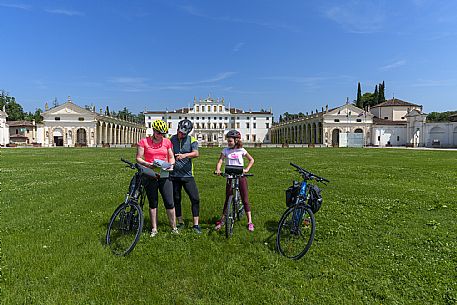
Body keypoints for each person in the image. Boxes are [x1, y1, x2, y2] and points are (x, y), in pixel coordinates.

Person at [136, 119, 178, 237]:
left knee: (169, 202)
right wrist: (148, 164)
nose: (161, 136)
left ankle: (173, 227)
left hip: (164, 174)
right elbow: (138, 158)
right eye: (159, 133)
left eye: (163, 134)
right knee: (153, 203)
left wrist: (171, 165)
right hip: (151, 174)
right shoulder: (144, 142)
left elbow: (171, 157)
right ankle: (154, 228)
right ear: (153, 131)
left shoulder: (167, 142)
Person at [214, 130, 255, 232]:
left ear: (236, 141)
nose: (228, 143)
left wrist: (246, 169)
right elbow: (220, 161)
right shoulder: (226, 150)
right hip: (230, 175)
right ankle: (223, 220)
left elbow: (251, 160)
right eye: (228, 141)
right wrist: (218, 169)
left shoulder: (242, 150)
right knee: (228, 198)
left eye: (230, 141)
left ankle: (250, 221)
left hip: (241, 176)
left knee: (245, 199)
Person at [170, 119, 202, 234]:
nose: (180, 134)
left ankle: (196, 225)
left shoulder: (192, 140)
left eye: (183, 133)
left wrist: (184, 155)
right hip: (174, 175)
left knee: (195, 198)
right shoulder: (172, 139)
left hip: (187, 175)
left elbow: (196, 153)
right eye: (179, 131)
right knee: (176, 199)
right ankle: (180, 222)